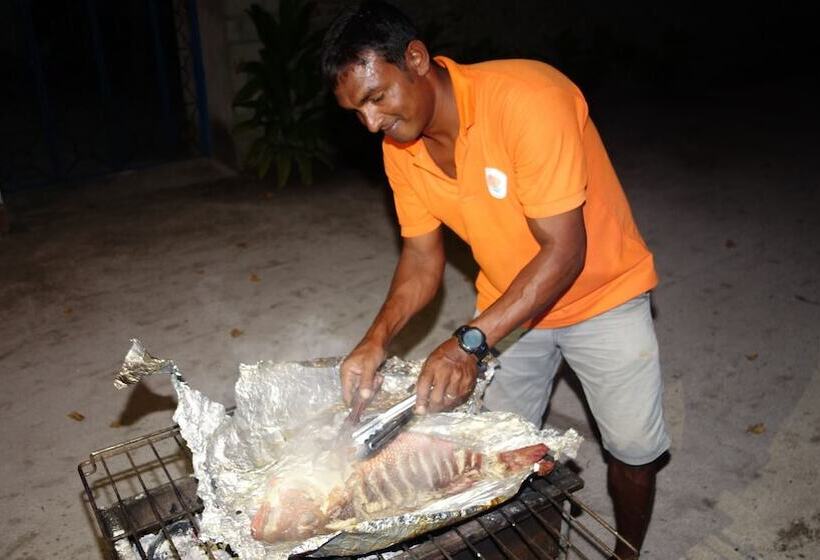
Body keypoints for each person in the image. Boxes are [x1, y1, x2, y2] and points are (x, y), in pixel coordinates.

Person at [320, 2, 669, 557]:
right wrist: (374, 340)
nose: (370, 122)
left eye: (376, 97)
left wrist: (468, 343)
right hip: (509, 305)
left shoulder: (528, 100)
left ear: (415, 59)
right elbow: (420, 260)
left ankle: (627, 553)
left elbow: (565, 252)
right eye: (354, 111)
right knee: (493, 451)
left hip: (603, 296)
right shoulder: (400, 149)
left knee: (633, 451)